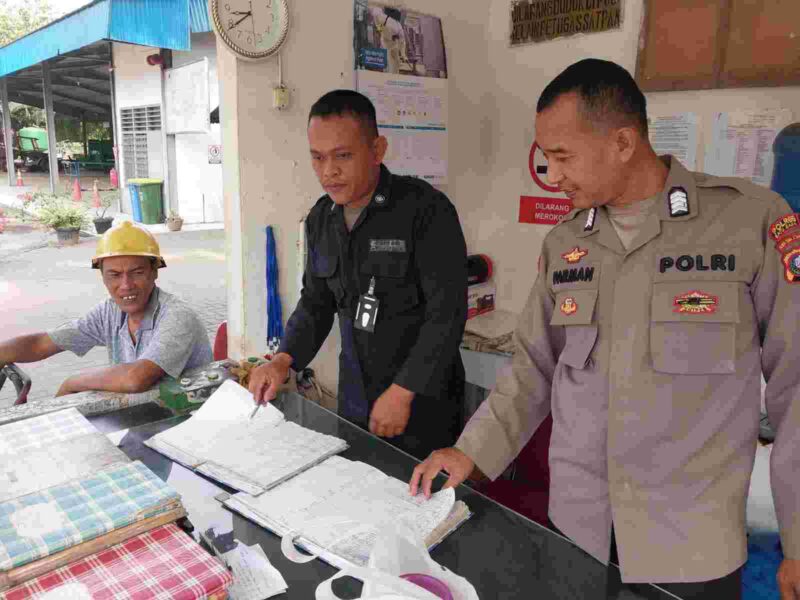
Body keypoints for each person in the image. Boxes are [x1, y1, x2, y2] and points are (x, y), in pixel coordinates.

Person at [410, 59, 800, 599]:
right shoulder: (566, 242)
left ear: (622, 142)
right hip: (579, 526)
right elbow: (532, 369)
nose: (553, 175)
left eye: (563, 156)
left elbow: (794, 387)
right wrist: (470, 451)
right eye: (547, 158)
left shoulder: (747, 223)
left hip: (689, 543)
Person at [249, 90, 467, 460]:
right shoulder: (321, 219)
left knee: (420, 493)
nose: (328, 171)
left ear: (377, 150)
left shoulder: (425, 211)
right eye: (318, 157)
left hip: (422, 403)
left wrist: (404, 391)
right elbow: (316, 304)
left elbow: (446, 316)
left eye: (343, 156)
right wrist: (283, 359)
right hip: (356, 399)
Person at [0, 221, 212, 397]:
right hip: (142, 414)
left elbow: (135, 378)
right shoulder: (110, 312)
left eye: (137, 272)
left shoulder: (178, 316)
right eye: (114, 275)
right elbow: (42, 343)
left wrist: (72, 383)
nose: (126, 285)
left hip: (187, 420)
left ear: (154, 271)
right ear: (103, 277)